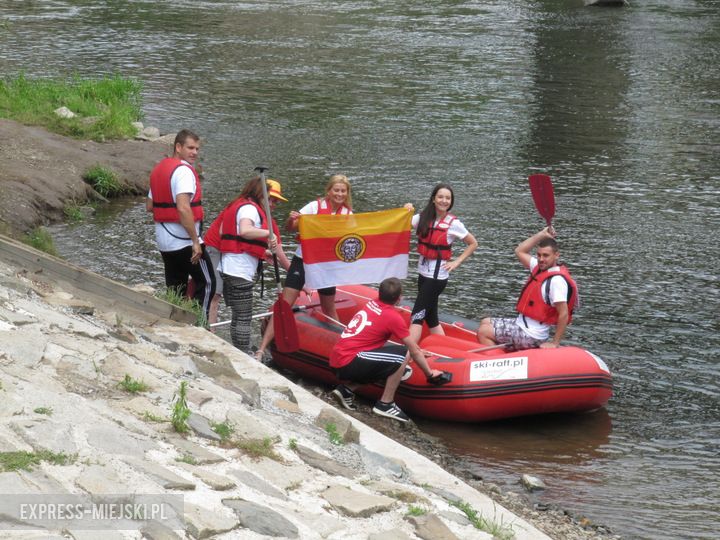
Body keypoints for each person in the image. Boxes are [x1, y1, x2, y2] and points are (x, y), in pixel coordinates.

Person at [255, 174, 353, 360]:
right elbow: (290, 228)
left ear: (347, 193)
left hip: (326, 265)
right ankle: (261, 350)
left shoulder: (348, 215)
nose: (339, 194)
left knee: (329, 308)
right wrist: (293, 220)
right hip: (303, 260)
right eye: (336, 190)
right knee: (284, 304)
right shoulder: (314, 206)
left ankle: (345, 350)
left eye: (343, 191)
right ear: (329, 191)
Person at [329, 277, 446, 423]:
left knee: (389, 360)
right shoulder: (392, 317)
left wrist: (417, 351)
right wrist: (430, 373)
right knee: (404, 354)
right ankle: (385, 404)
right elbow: (412, 350)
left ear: (379, 294)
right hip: (349, 362)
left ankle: (346, 390)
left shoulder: (372, 303)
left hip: (338, 360)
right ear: (399, 299)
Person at [146, 129, 215, 318]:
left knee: (176, 287)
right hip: (184, 241)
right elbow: (183, 208)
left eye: (197, 148)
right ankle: (200, 324)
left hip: (164, 242)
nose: (194, 152)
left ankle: (174, 321)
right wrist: (195, 241)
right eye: (190, 147)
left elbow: (150, 206)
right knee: (207, 283)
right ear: (178, 147)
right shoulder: (183, 171)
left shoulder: (159, 169)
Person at [218, 176, 291, 352]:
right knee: (244, 316)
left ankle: (239, 348)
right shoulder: (250, 209)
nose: (271, 203)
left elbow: (223, 230)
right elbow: (244, 230)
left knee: (238, 315)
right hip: (238, 270)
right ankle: (244, 352)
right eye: (269, 197)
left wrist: (261, 251)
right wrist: (269, 232)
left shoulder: (240, 205)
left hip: (229, 266)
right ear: (259, 193)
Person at [476, 227, 578, 349]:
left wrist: (555, 343)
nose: (541, 259)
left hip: (532, 335)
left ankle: (495, 363)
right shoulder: (539, 268)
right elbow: (520, 251)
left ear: (556, 255)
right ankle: (506, 351)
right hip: (521, 325)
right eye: (539, 255)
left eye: (546, 255)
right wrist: (541, 235)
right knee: (485, 321)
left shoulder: (556, 281)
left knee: (483, 331)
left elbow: (564, 314)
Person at [407, 183, 477, 343]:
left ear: (451, 202)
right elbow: (401, 223)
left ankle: (408, 355)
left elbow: (473, 243)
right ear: (433, 199)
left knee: (417, 316)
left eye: (448, 198)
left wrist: (457, 262)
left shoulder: (454, 224)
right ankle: (442, 348)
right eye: (440, 197)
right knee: (431, 317)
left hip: (437, 278)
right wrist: (407, 209)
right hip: (423, 274)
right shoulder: (422, 218)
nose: (444, 201)